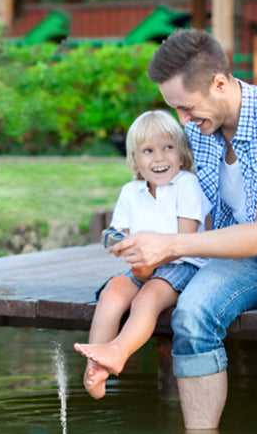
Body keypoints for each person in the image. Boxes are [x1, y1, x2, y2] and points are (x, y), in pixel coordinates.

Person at [111, 29, 257, 434]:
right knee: (192, 314)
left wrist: (172, 245)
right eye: (175, 109)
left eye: (187, 107)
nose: (183, 121)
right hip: (248, 255)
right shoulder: (200, 127)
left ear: (219, 83)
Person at [75, 110, 211, 399]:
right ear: (135, 161)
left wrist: (148, 261)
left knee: (148, 297)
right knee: (113, 291)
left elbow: (185, 240)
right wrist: (115, 241)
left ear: (182, 155)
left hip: (182, 264)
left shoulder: (187, 184)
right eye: (148, 151)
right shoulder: (131, 191)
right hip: (142, 265)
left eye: (168, 148)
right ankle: (95, 367)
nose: (159, 158)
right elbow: (112, 232)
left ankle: (119, 351)